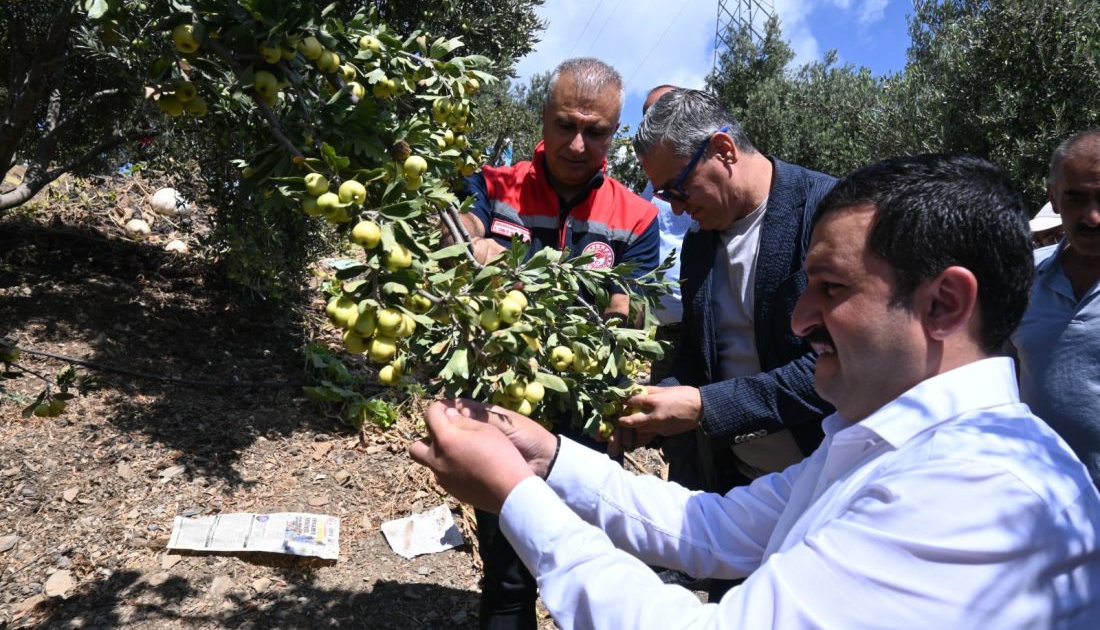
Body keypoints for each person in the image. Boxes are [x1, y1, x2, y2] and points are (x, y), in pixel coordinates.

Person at [410, 153, 1100, 629]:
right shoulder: (883, 445)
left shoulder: (981, 493)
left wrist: (515, 496)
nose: (801, 321)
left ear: (944, 305)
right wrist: (548, 458)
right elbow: (709, 529)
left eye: (831, 289)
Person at [455, 57, 660, 629]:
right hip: (500, 398)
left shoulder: (637, 217)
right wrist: (473, 240)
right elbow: (460, 228)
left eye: (596, 132)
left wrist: (621, 315)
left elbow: (633, 313)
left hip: (584, 411)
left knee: (588, 562)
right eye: (565, 124)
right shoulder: (494, 188)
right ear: (542, 118)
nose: (577, 144)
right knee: (507, 564)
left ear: (614, 134)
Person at [621, 89, 836, 495]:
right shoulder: (700, 243)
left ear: (723, 150)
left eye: (678, 189)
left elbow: (840, 366)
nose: (678, 210)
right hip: (740, 489)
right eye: (665, 197)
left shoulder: (828, 213)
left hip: (827, 487)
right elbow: (694, 355)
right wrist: (653, 405)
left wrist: (706, 407)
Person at [1012, 129, 1100, 489]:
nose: (1093, 217)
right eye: (1077, 198)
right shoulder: (1021, 277)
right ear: (1054, 198)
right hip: (1040, 502)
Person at [636, 84, 693, 383]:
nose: (650, 122)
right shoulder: (652, 182)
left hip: (698, 330)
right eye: (646, 115)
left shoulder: (692, 177)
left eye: (658, 112)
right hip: (665, 332)